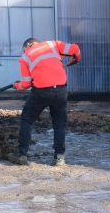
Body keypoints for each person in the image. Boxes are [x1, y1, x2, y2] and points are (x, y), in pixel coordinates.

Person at [7, 38, 81, 167]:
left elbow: (26, 84)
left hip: (41, 91)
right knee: (59, 123)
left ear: (27, 46)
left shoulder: (25, 57)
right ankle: (59, 157)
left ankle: (22, 155)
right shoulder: (53, 44)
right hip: (60, 90)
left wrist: (17, 86)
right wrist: (74, 60)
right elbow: (75, 49)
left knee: (27, 120)